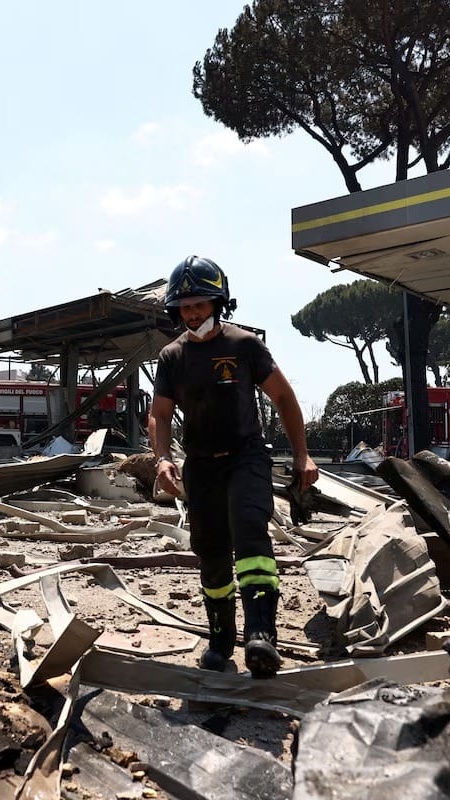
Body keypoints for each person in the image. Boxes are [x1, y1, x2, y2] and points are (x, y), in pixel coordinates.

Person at [149, 255, 319, 677]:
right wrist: (163, 458)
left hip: (247, 459)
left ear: (218, 302)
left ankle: (262, 635)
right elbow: (160, 414)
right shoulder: (171, 357)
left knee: (249, 537)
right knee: (211, 555)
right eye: (185, 306)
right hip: (201, 467)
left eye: (200, 304)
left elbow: (284, 398)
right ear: (176, 310)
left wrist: (302, 454)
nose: (192, 313)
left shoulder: (245, 346)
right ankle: (221, 639)